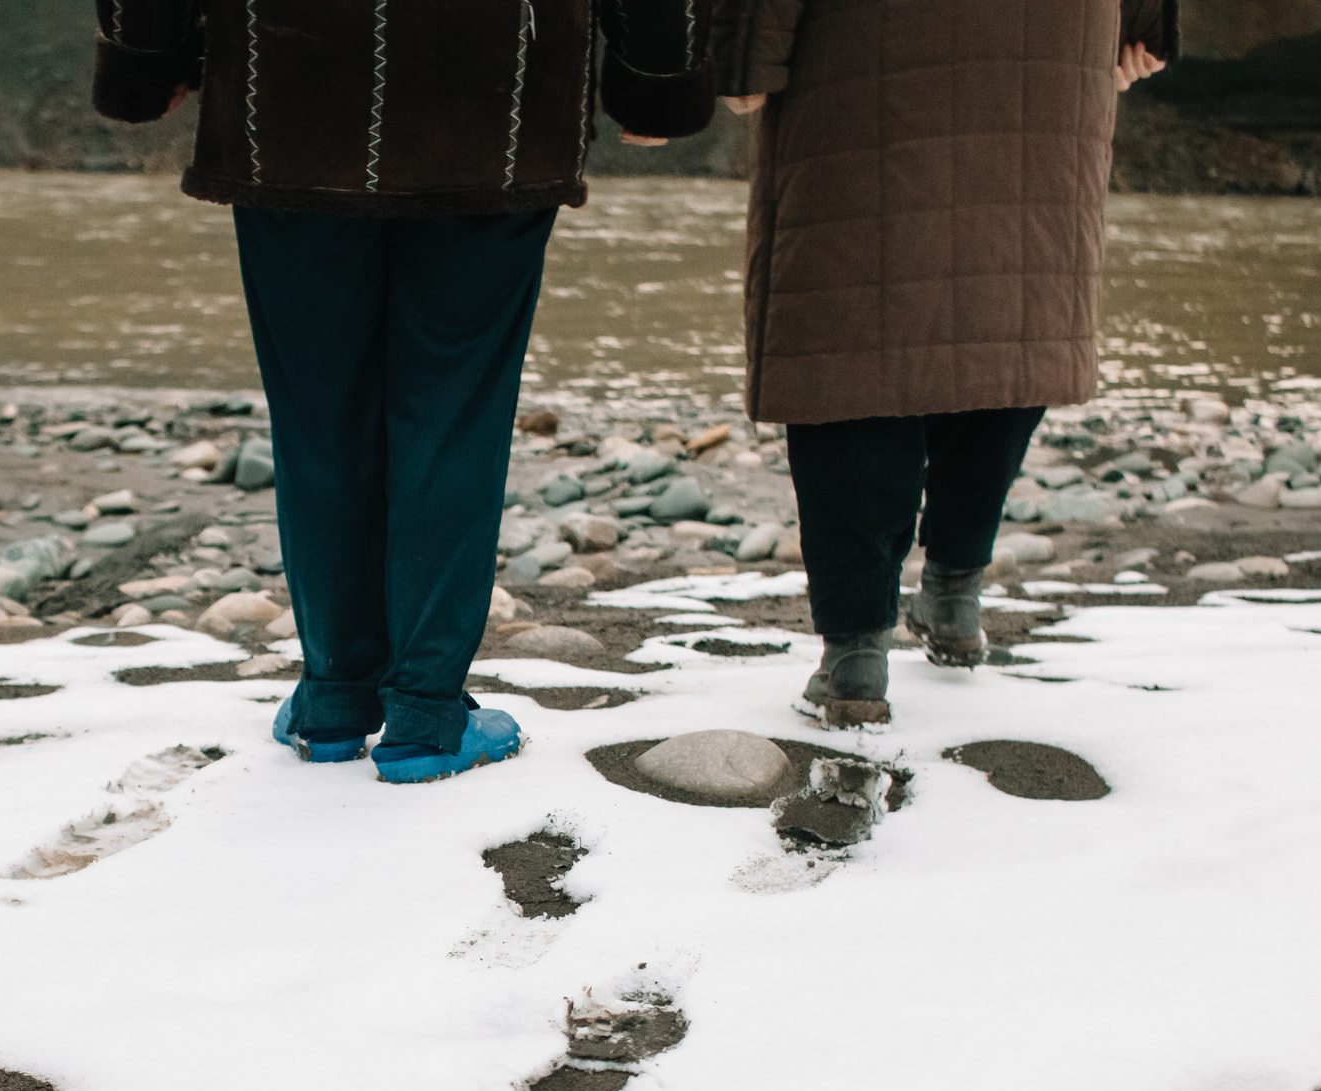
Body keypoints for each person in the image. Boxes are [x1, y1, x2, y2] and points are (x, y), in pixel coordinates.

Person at [92, 0, 716, 782]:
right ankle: (424, 714)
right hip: (496, 95)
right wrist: (655, 74)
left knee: (318, 413)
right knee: (454, 412)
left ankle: (334, 696)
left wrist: (147, 59)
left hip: (290, 94)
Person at [711, 0, 1174, 726]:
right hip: (1051, 39)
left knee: (856, 336)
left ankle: (857, 652)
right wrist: (1150, 18)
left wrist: (744, 51)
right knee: (1007, 311)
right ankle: (956, 590)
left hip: (866, 46)